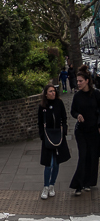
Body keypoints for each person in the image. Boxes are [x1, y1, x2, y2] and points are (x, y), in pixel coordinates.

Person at [69, 66, 100, 196]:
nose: (78, 83)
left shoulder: (97, 94)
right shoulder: (77, 96)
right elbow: (73, 111)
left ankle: (89, 182)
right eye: (77, 81)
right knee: (83, 156)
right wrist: (78, 116)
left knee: (93, 157)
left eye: (81, 81)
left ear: (87, 81)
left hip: (94, 131)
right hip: (81, 131)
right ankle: (78, 185)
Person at [38, 84, 71, 199]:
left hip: (58, 135)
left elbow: (64, 117)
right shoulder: (42, 106)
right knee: (49, 163)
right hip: (48, 136)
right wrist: (42, 135)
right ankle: (45, 187)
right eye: (51, 91)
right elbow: (40, 123)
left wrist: (64, 131)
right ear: (46, 94)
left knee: (56, 163)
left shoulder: (59, 103)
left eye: (54, 91)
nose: (53, 93)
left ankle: (52, 185)